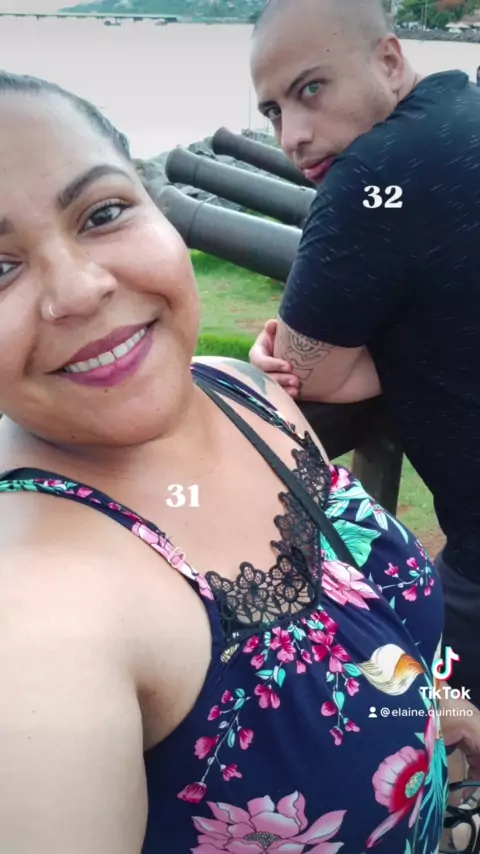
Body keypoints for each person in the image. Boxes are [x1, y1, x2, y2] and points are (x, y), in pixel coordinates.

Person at [0, 71, 479, 854]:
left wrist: (445, 702)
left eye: (103, 213)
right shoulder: (37, 618)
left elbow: (369, 609)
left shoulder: (244, 392)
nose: (80, 291)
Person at [248, 0, 480, 712]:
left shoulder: (373, 172)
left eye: (312, 89)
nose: (293, 135)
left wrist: (279, 351)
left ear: (388, 59)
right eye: (273, 111)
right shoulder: (465, 111)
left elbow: (310, 370)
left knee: (410, 705)